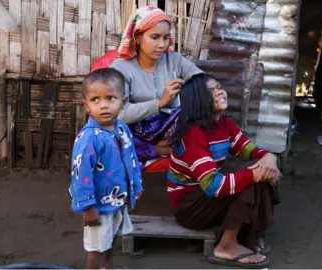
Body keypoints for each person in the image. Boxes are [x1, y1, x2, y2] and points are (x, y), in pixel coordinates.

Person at [167, 73, 281, 269]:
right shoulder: (192, 135)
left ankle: (251, 235)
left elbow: (251, 151)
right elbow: (212, 186)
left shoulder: (225, 125)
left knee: (259, 169)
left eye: (219, 86)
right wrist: (255, 173)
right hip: (190, 209)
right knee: (252, 174)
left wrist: (270, 158)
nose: (219, 91)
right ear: (198, 101)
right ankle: (226, 246)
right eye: (211, 90)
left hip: (206, 199)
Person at [110, 6, 203, 171]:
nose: (162, 44)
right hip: (135, 131)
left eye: (166, 38)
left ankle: (162, 148)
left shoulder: (174, 61)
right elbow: (118, 113)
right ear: (138, 37)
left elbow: (202, 83)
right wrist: (160, 103)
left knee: (196, 114)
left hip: (169, 129)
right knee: (111, 134)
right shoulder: (120, 69)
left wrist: (195, 90)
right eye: (155, 37)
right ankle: (157, 150)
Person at [68, 68, 143, 269]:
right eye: (95, 100)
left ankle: (107, 267)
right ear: (86, 105)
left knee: (113, 237)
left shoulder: (122, 129)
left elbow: (132, 159)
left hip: (118, 199)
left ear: (123, 101)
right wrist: (87, 207)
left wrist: (135, 186)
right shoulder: (89, 138)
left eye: (110, 98)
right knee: (95, 247)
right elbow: (79, 175)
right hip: (98, 205)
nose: (103, 106)